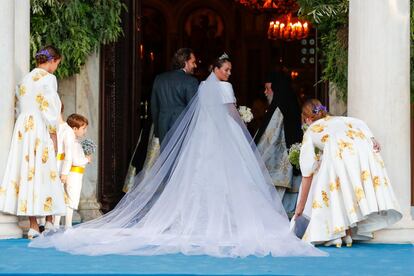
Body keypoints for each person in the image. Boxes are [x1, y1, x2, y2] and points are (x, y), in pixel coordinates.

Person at [30, 54, 325, 258]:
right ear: (217, 69)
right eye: (227, 70)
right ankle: (223, 221)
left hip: (198, 138)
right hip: (223, 137)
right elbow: (231, 112)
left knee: (202, 177)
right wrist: (245, 130)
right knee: (228, 177)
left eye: (230, 71)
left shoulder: (202, 85)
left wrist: (157, 129)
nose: (229, 74)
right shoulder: (218, 87)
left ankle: (193, 219)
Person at [294, 99, 402, 247]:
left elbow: (307, 173)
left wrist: (299, 208)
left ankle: (335, 234)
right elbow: (360, 123)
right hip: (361, 154)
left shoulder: (311, 131)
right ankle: (348, 233)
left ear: (307, 118)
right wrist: (372, 138)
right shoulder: (341, 119)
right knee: (347, 188)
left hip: (339, 155)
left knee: (329, 183)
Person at [0, 45, 66, 239]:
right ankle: (50, 220)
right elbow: (51, 108)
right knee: (45, 170)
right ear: (53, 60)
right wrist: (54, 134)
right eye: (57, 64)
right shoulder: (49, 79)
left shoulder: (24, 80)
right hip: (39, 127)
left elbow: (18, 107)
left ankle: (33, 226)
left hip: (23, 129)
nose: (56, 68)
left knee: (27, 172)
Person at [254, 66, 302, 217]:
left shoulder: (279, 108)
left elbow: (270, 137)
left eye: (268, 88)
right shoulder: (287, 102)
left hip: (282, 159)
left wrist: (255, 156)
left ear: (276, 88)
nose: (265, 92)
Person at [151, 48, 199, 143]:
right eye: (193, 62)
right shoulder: (191, 81)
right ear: (185, 62)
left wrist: (157, 130)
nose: (195, 65)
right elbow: (193, 110)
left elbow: (154, 107)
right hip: (182, 128)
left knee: (166, 157)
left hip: (163, 127)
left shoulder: (159, 79)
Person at [59, 114, 92, 228]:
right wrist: (86, 159)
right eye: (83, 128)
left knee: (69, 198)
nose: (85, 131)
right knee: (72, 199)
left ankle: (64, 224)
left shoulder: (75, 141)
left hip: (75, 174)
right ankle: (67, 225)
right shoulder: (73, 142)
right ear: (74, 129)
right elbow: (76, 160)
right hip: (74, 174)